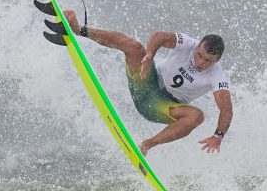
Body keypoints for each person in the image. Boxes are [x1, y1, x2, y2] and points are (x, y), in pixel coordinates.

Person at [61, 8, 232, 157]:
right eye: (199, 55)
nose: (200, 62)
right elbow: (159, 36)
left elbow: (226, 109)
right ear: (198, 46)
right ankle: (78, 30)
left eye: (208, 61)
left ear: (218, 60)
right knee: (135, 47)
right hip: (146, 82)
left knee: (197, 116)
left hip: (162, 107)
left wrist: (218, 136)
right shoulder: (188, 44)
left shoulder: (217, 76)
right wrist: (150, 55)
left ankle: (147, 144)